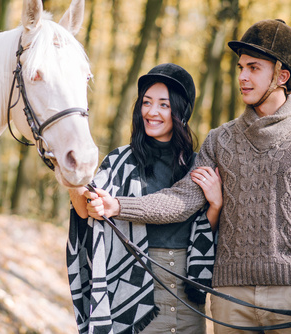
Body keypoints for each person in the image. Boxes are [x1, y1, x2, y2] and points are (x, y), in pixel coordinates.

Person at [81, 19, 291, 333]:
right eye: (240, 67)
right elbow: (181, 199)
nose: (243, 77)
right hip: (229, 299)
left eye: (254, 68)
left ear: (282, 76)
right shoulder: (220, 140)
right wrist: (118, 206)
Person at [67, 63, 223, 334]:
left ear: (181, 111)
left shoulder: (197, 165)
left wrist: (215, 205)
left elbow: (201, 234)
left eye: (164, 105)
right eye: (147, 103)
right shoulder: (120, 161)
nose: (152, 112)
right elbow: (85, 211)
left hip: (187, 294)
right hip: (134, 288)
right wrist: (69, 167)